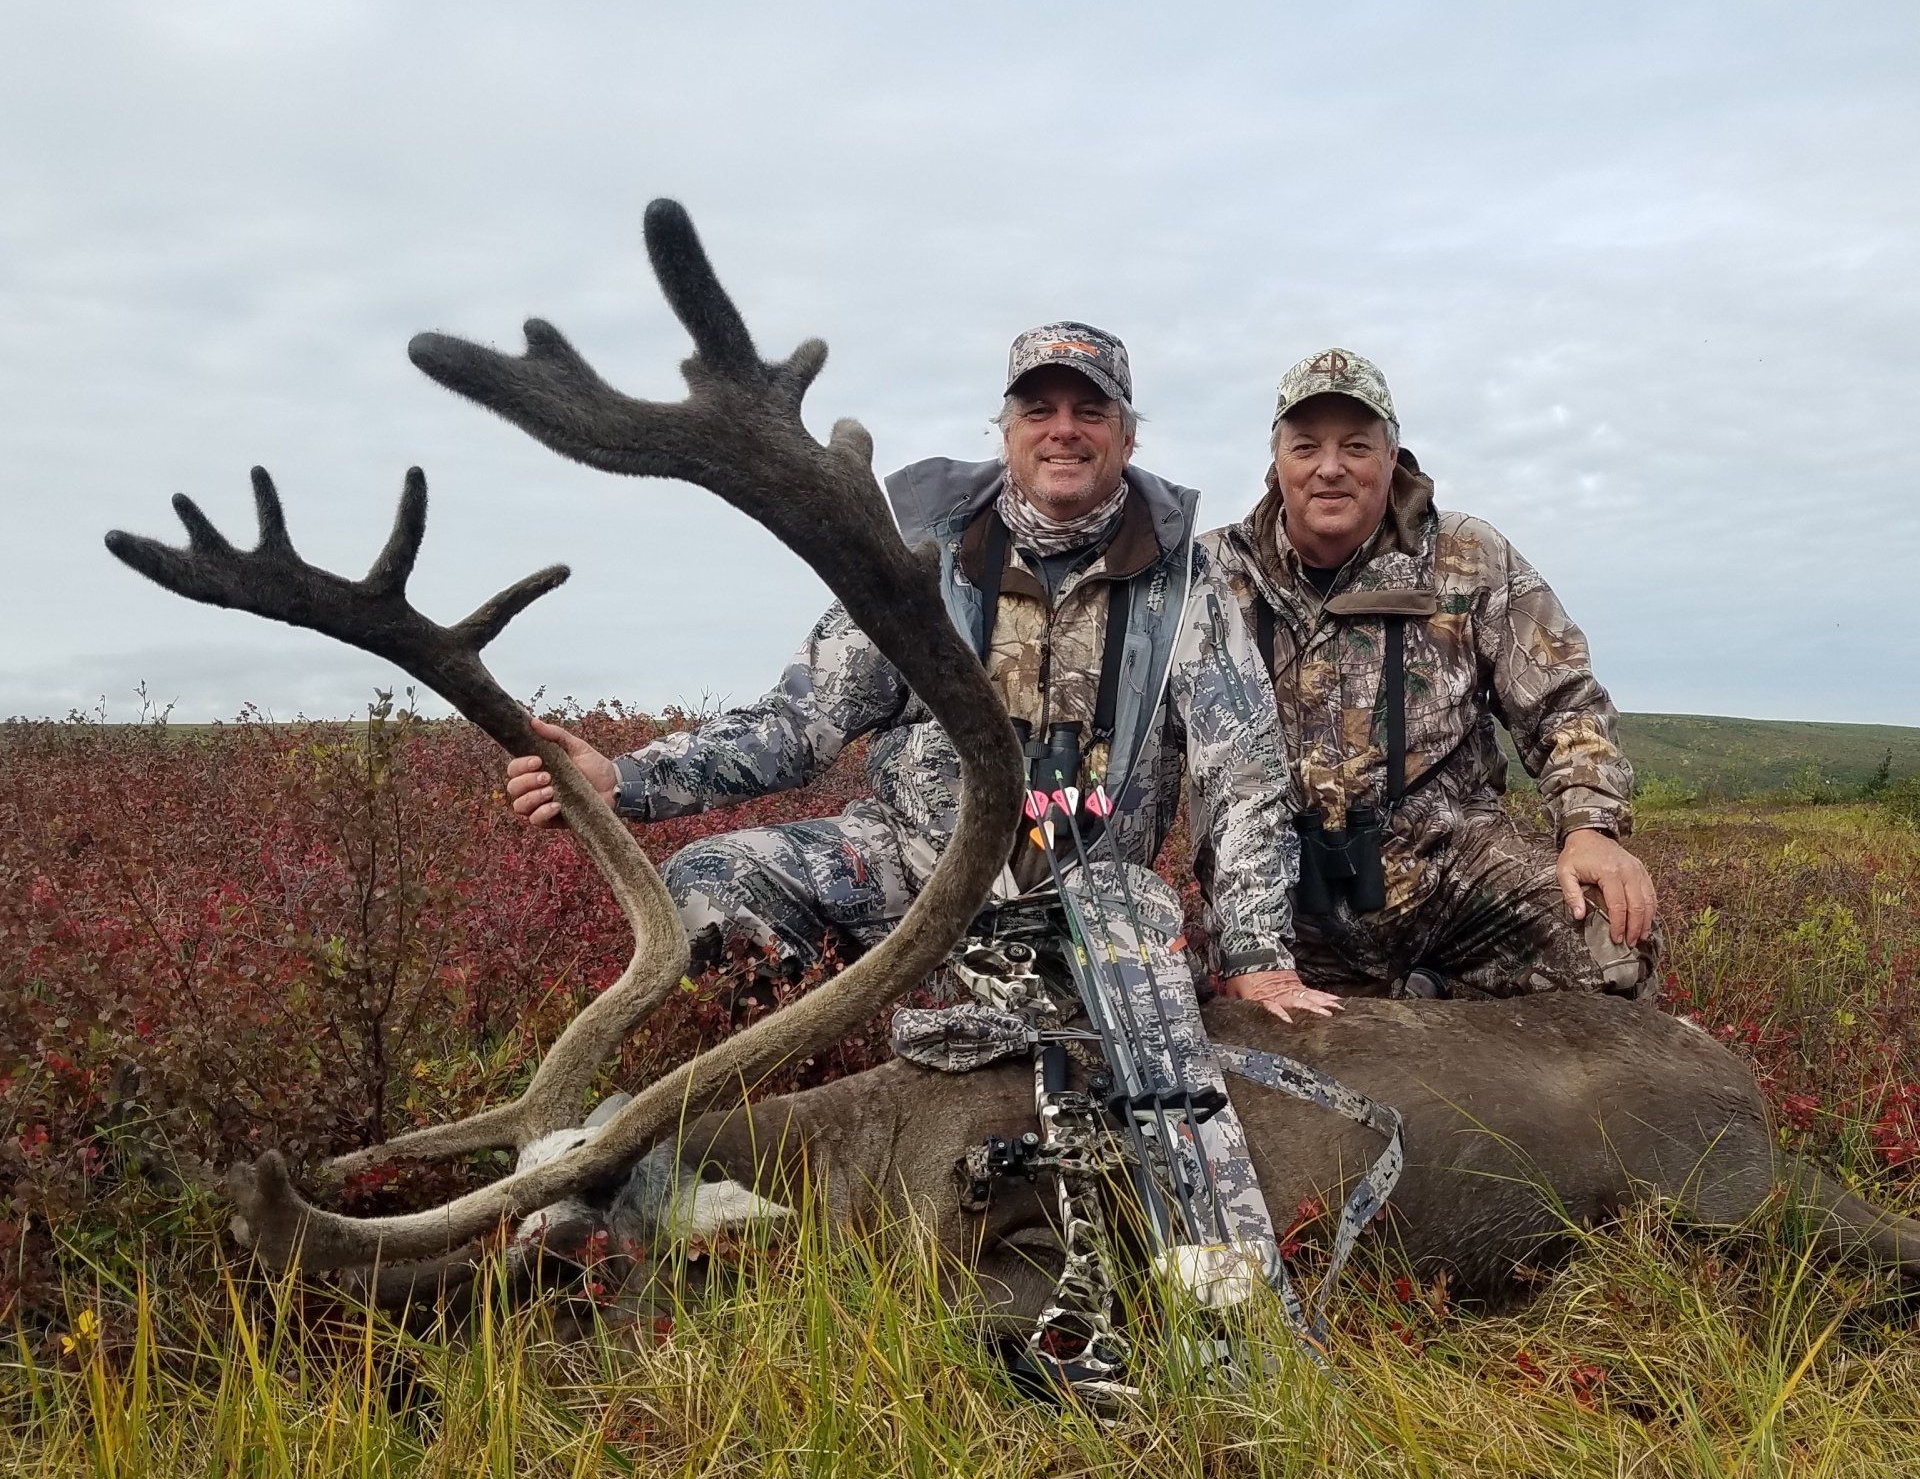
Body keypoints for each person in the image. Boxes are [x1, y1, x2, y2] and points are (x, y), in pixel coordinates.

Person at [504, 322, 1336, 1290]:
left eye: (1089, 411)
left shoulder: (1193, 581)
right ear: (1006, 429)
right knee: (715, 881)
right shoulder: (921, 553)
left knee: (1108, 1083)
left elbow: (1241, 777)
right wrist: (626, 780)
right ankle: (752, 1137)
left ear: (1128, 436)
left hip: (1082, 901)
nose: (1063, 430)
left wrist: (1258, 960)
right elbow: (803, 721)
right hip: (905, 861)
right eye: (1039, 409)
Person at [1205, 348, 1660, 999]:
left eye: (1356, 447)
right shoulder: (1212, 577)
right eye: (1306, 447)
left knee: (1613, 946)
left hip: (1451, 874)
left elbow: (1566, 704)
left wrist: (1589, 828)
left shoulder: (1471, 556)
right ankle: (1420, 1001)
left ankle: (1445, 993)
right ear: (1276, 461)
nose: (1330, 468)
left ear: (1391, 458)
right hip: (1276, 890)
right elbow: (1149, 753)